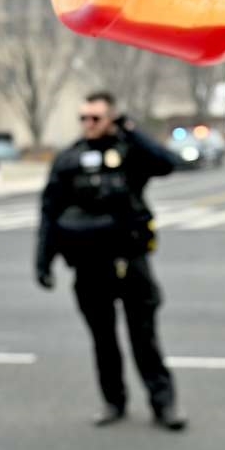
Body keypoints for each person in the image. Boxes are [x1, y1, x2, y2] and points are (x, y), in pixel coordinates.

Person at [35, 91, 186, 431]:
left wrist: (129, 130)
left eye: (96, 118)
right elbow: (49, 212)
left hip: (130, 262)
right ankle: (113, 401)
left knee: (144, 337)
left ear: (111, 119)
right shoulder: (69, 159)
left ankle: (164, 404)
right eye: (83, 118)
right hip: (89, 267)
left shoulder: (130, 152)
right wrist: (43, 262)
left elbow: (166, 164)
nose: (88, 124)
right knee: (103, 339)